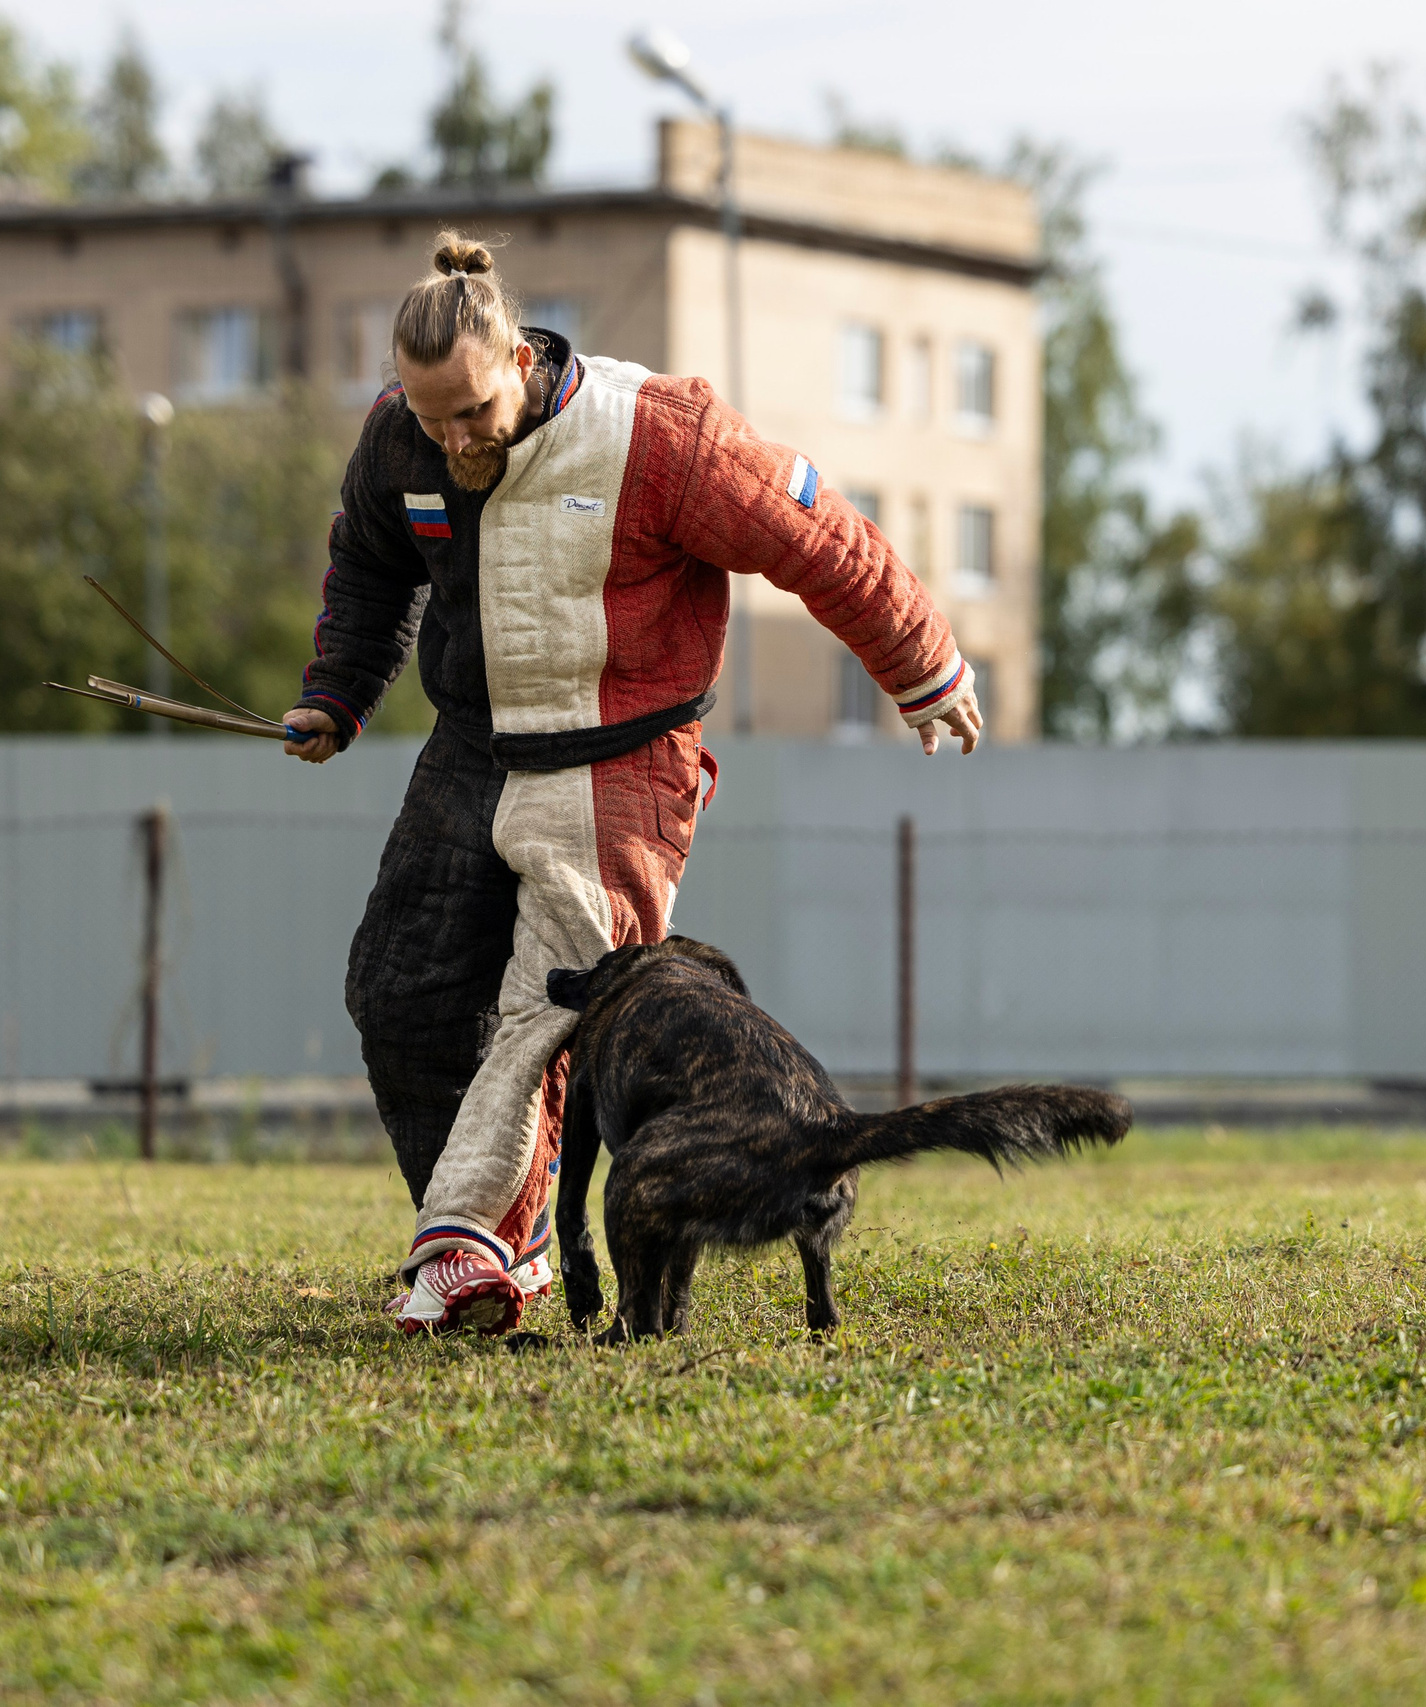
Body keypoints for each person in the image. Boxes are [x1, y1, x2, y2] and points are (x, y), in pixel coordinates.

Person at [283, 233, 983, 1336]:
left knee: (542, 1013)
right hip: (470, 749)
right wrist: (337, 695)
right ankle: (485, 1245)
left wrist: (921, 667)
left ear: (515, 356)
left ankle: (477, 1255)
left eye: (472, 411)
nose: (455, 439)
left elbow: (815, 533)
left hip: (621, 759)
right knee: (395, 991)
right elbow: (369, 567)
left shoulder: (659, 434)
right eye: (432, 419)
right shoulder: (399, 440)